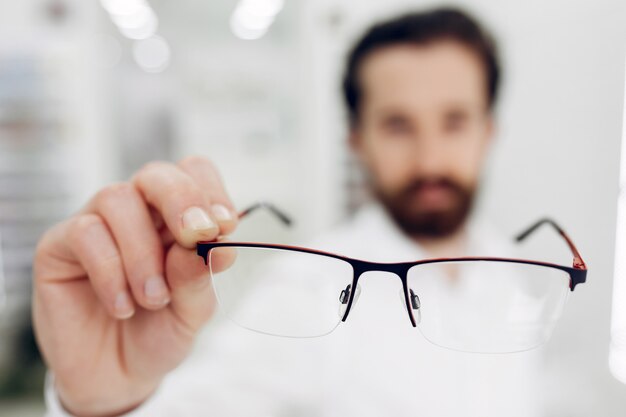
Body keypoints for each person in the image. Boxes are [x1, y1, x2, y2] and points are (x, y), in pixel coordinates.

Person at [33, 7, 603, 417]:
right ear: (357, 141)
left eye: (454, 121)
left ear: (488, 131)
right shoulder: (311, 290)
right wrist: (103, 404)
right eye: (398, 125)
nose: (431, 159)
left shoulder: (522, 273)